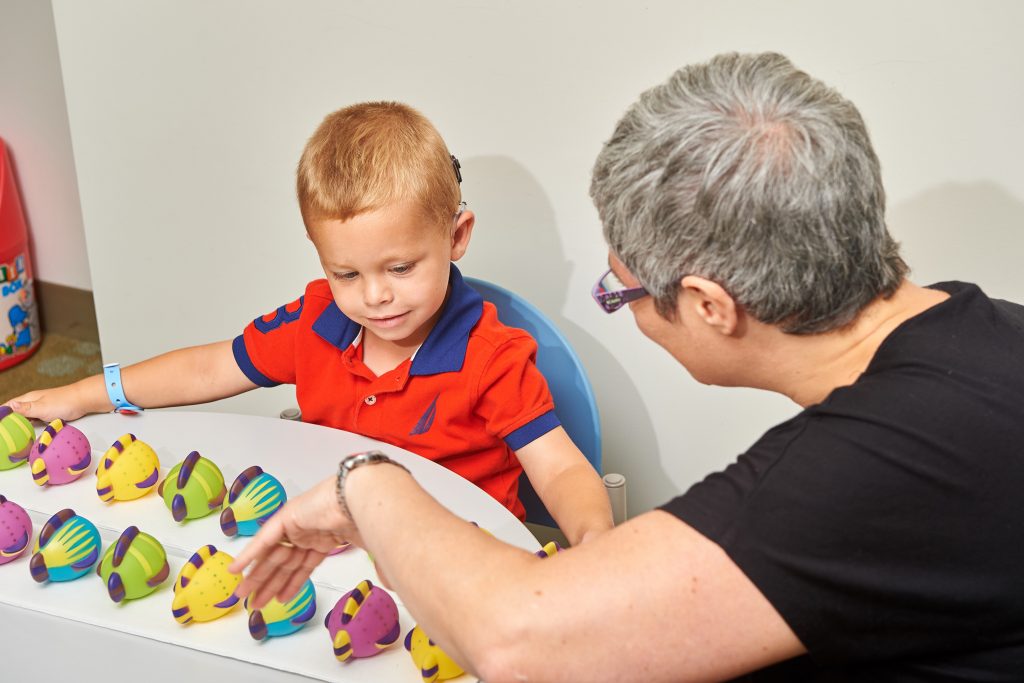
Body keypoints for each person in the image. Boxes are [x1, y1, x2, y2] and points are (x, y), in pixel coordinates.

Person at [230, 52, 1024, 682]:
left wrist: (363, 483)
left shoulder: (845, 480)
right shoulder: (990, 334)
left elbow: (520, 643)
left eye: (624, 291)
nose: (626, 307)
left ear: (710, 305)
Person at [4, 102, 613, 545]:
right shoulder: (316, 319)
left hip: (460, 560)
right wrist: (85, 393)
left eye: (400, 267)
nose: (375, 296)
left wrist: (592, 548)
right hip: (336, 545)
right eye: (347, 273)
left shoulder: (491, 357)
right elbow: (208, 367)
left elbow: (558, 467)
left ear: (456, 236)